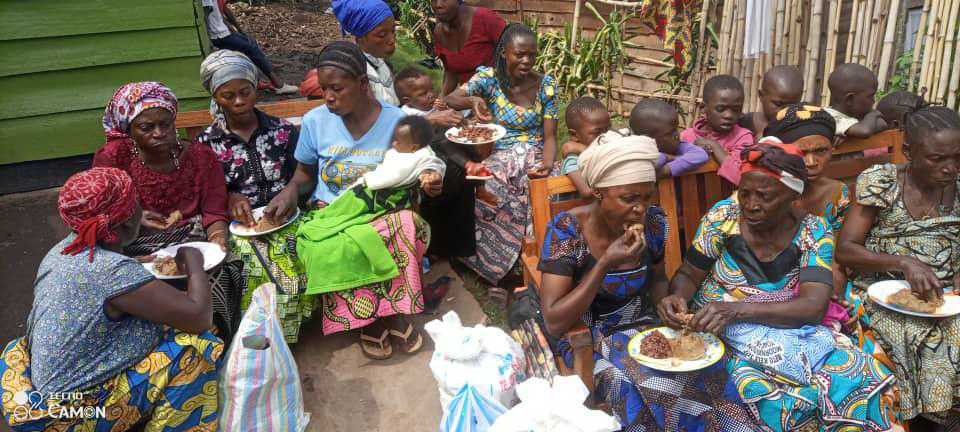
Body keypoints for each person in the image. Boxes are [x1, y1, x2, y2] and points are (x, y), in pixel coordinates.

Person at [659, 142, 894, 431]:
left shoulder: (813, 231)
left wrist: (736, 311)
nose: (750, 204)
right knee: (756, 388)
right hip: (716, 330)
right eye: (744, 193)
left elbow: (813, 307)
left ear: (793, 196)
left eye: (764, 196)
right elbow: (688, 274)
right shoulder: (723, 218)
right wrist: (677, 296)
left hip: (787, 325)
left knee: (857, 371)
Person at [537, 137, 760, 430]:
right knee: (630, 384)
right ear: (598, 192)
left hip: (642, 326)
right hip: (587, 333)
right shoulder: (567, 231)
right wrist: (604, 264)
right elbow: (554, 321)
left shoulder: (654, 221)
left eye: (647, 197)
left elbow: (657, 277)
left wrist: (663, 301)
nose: (641, 208)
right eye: (629, 199)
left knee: (704, 368)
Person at [0, 168, 222, 431]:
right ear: (126, 222)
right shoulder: (111, 271)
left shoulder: (61, 251)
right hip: (72, 411)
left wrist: (131, 248)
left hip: (36, 395)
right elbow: (199, 317)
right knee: (197, 348)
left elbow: (98, 282)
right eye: (137, 203)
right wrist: (193, 259)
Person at [267, 41, 441, 359]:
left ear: (362, 84)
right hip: (333, 209)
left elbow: (421, 161)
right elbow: (304, 173)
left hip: (378, 206)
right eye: (323, 90)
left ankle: (393, 311)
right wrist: (290, 190)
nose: (329, 97)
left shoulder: (396, 122)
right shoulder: (316, 121)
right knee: (327, 245)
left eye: (337, 88)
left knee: (400, 226)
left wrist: (429, 181)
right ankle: (369, 320)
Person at [836, 104, 960, 426]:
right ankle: (922, 420)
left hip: (946, 296)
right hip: (882, 293)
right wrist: (905, 263)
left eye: (958, 157)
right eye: (937, 159)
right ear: (908, 151)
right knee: (915, 334)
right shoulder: (883, 182)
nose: (950, 168)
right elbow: (846, 250)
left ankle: (942, 417)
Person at [93, 82, 244, 340]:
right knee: (141, 285)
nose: (159, 132)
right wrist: (136, 217)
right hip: (136, 242)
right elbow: (100, 209)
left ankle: (219, 343)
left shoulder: (199, 156)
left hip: (193, 238)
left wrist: (217, 238)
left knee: (223, 274)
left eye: (166, 124)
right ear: (128, 129)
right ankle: (167, 352)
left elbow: (213, 208)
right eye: (146, 127)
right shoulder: (114, 157)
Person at [195, 50, 314, 344]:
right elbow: (206, 195)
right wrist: (229, 197)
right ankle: (266, 334)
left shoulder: (282, 132)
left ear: (256, 87)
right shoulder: (206, 144)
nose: (238, 101)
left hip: (286, 216)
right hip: (240, 227)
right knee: (251, 261)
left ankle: (296, 326)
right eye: (227, 95)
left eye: (245, 92)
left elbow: (305, 177)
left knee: (300, 245)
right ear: (215, 96)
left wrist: (292, 192)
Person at [444, 23, 560, 298]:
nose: (527, 61)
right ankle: (499, 270)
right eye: (520, 54)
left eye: (532, 55)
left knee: (543, 196)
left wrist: (546, 165)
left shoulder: (547, 85)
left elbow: (551, 137)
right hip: (501, 154)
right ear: (504, 53)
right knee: (487, 192)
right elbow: (450, 97)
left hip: (534, 152)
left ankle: (535, 269)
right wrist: (472, 101)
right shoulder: (488, 78)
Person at [762, 104, 852, 330]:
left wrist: (836, 294)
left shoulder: (837, 193)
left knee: (849, 317)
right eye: (802, 152)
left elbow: (835, 257)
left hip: (820, 280)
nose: (811, 162)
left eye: (821, 151)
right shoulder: (763, 192)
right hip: (770, 282)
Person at [200, 0, 298, 94]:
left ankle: (259, 77)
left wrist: (236, 30)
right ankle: (278, 85)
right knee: (251, 49)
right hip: (218, 35)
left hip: (222, 32)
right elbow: (205, 16)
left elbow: (220, 14)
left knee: (251, 42)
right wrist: (209, 38)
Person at [682, 75, 755, 185]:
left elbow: (742, 178)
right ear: (703, 108)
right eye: (720, 109)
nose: (729, 115)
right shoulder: (686, 136)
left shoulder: (743, 137)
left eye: (736, 110)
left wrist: (715, 147)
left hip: (728, 200)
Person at [432, 0, 507, 96]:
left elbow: (514, 55)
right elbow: (451, 72)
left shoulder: (486, 18)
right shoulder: (439, 33)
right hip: (468, 99)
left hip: (499, 96)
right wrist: (441, 98)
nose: (438, 5)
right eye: (433, 0)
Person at [332, 0, 400, 106]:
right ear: (361, 37)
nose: (391, 40)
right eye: (382, 35)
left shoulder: (381, 63)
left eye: (393, 31)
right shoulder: (356, 73)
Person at [630, 98, 709, 179]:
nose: (677, 135)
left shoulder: (679, 146)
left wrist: (665, 170)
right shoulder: (635, 153)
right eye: (670, 133)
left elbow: (701, 155)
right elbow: (654, 163)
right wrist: (669, 157)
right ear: (647, 139)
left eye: (676, 129)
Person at [560, 96, 613, 198]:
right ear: (574, 135)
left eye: (608, 129)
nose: (605, 136)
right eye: (597, 132)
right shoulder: (573, 160)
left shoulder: (607, 149)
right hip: (578, 210)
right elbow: (586, 192)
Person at [825, 63, 888, 139]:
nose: (873, 101)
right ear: (850, 99)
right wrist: (873, 114)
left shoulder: (852, 115)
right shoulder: (830, 118)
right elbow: (864, 131)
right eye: (870, 96)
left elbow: (882, 124)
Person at [739, 65, 804, 138]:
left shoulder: (800, 129)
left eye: (792, 106)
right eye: (778, 104)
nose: (785, 111)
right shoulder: (741, 124)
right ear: (761, 96)